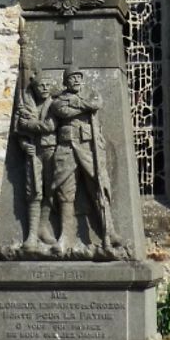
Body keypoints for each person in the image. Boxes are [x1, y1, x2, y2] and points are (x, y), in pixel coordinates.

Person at [49, 69, 118, 253]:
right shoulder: (59, 101)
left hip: (89, 147)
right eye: (72, 78)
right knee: (65, 192)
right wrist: (84, 106)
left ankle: (108, 232)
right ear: (66, 82)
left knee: (98, 188)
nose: (76, 80)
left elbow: (97, 103)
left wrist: (81, 104)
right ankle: (65, 237)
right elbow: (62, 111)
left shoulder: (92, 94)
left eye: (79, 77)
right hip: (66, 149)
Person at [14, 70, 57, 250]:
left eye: (48, 85)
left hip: (53, 150)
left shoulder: (55, 104)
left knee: (52, 190)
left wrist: (31, 125)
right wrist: (24, 144)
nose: (45, 88)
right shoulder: (26, 105)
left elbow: (52, 126)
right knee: (33, 192)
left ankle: (43, 227)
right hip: (34, 151)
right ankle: (31, 235)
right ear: (35, 87)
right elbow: (18, 128)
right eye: (41, 85)